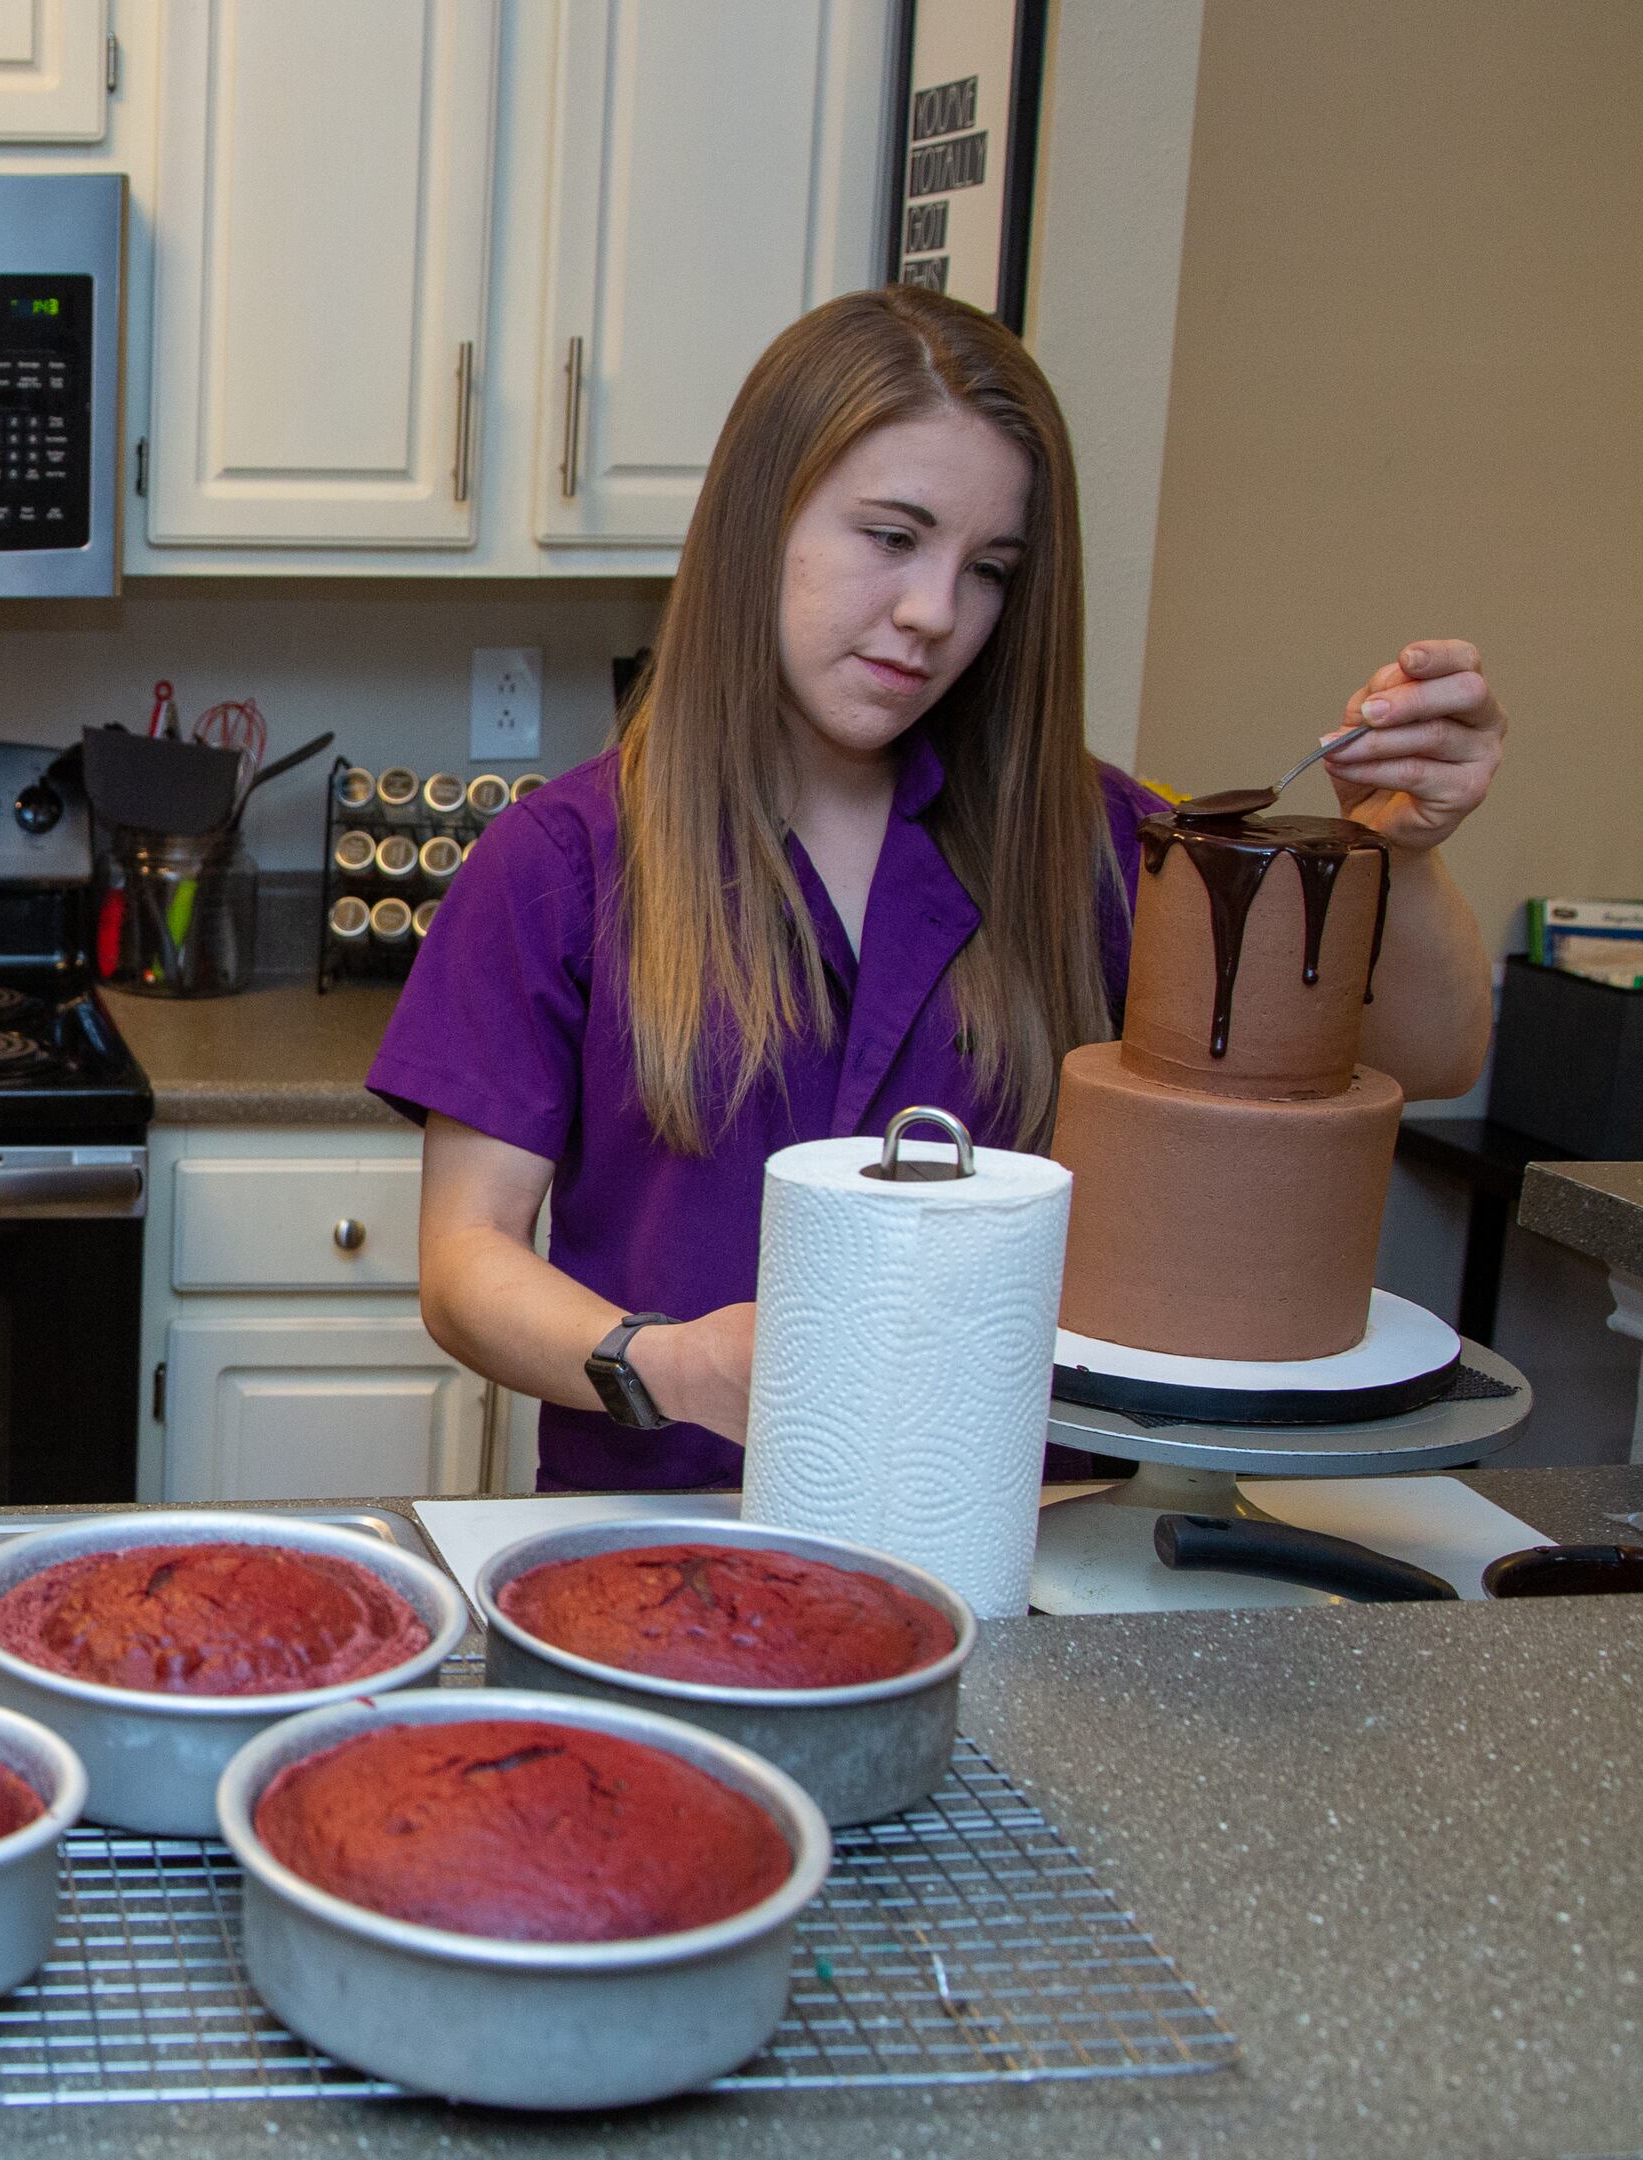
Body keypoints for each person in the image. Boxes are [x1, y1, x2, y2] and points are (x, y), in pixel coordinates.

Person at [369, 286, 1507, 1492]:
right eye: (893, 537)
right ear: (762, 520)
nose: (934, 615)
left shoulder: (1103, 845)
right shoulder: (562, 863)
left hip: (1025, 1539)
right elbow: (465, 1260)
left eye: (991, 570)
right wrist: (676, 1365)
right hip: (681, 1542)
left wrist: (1412, 850)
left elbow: (1430, 1057)